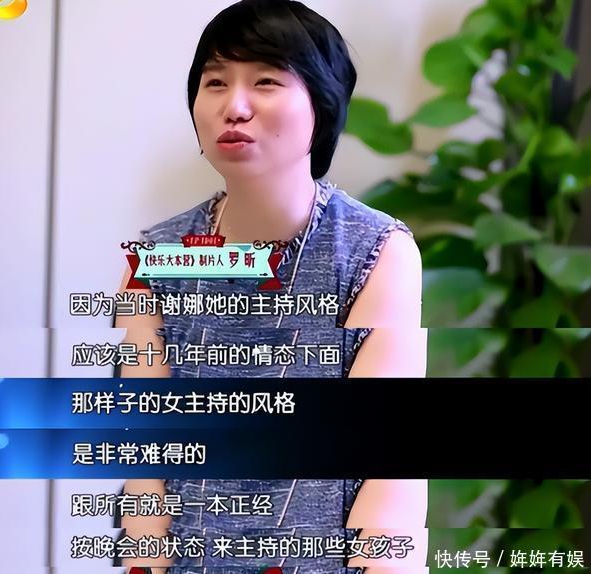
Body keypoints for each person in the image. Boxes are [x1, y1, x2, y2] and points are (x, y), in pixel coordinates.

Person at [115, 0, 428, 571]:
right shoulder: (157, 257)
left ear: (322, 106)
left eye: (265, 81)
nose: (233, 107)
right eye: (215, 82)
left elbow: (387, 471)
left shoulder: (375, 251)